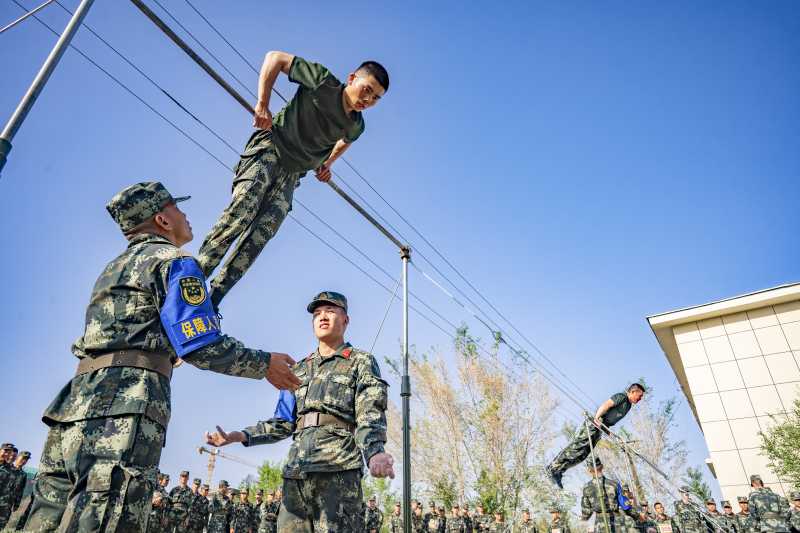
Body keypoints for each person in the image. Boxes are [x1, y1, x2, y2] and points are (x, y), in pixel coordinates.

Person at [26, 182, 301, 533]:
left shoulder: (113, 268)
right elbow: (201, 344)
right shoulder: (176, 262)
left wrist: (165, 350)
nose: (185, 214)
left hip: (74, 405)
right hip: (126, 406)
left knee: (46, 520)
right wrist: (265, 364)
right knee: (108, 517)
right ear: (162, 220)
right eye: (177, 208)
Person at [197, 53, 390, 310]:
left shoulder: (356, 125)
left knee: (261, 235)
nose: (368, 100)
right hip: (271, 148)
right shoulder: (323, 82)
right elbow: (274, 58)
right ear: (352, 79)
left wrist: (327, 163)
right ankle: (192, 280)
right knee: (242, 211)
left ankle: (214, 298)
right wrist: (263, 104)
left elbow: (347, 140)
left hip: (292, 175)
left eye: (376, 98)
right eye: (367, 90)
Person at [204, 291, 394, 533]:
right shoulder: (298, 369)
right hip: (297, 473)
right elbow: (282, 422)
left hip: (338, 469)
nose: (322, 317)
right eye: (317, 313)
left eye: (331, 311)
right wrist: (238, 435)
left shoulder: (361, 361)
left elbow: (370, 411)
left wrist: (375, 451)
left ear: (345, 320)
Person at [546, 384, 646, 488]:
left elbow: (611, 416)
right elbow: (606, 405)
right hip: (595, 424)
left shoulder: (629, 405)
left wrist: (606, 429)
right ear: (633, 392)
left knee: (582, 455)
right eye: (640, 395)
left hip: (602, 427)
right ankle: (552, 467)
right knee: (577, 447)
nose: (640, 398)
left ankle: (558, 471)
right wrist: (596, 419)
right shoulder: (622, 397)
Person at [580, 457, 646, 533]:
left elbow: (587, 511)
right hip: (616, 523)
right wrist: (637, 516)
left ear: (589, 470)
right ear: (602, 466)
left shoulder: (587, 487)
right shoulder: (615, 484)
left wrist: (584, 516)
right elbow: (625, 505)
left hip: (600, 525)